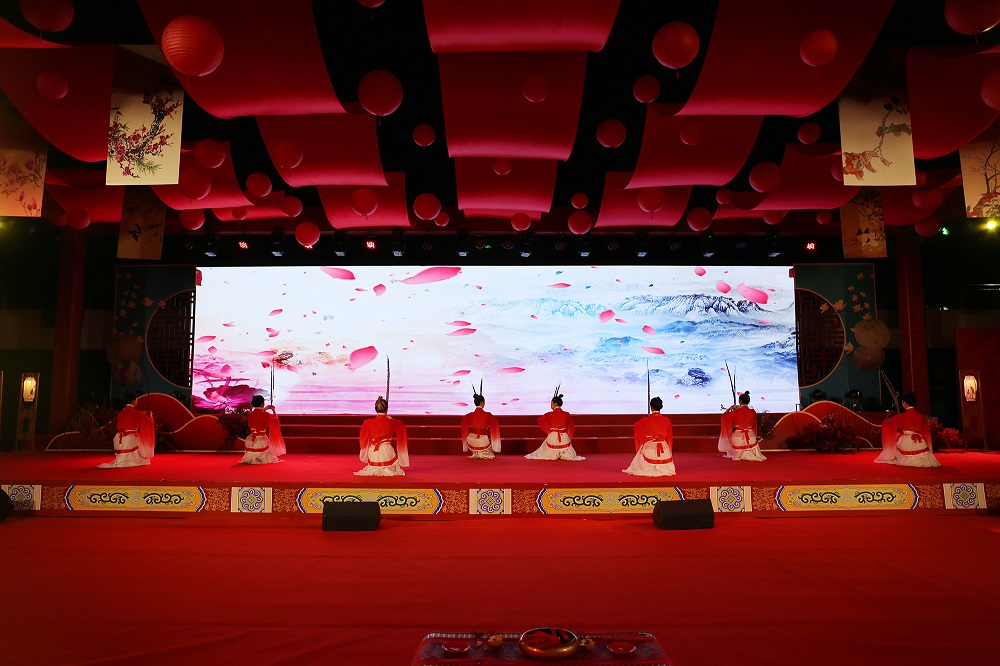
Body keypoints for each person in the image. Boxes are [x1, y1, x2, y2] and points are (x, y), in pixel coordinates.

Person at [875, 392, 940, 467]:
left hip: (906, 441)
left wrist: (883, 423)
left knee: (898, 444)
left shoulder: (902, 416)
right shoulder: (921, 416)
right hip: (920, 443)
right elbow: (925, 431)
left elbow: (888, 423)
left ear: (905, 403)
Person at [98, 392, 155, 468]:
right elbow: (147, 421)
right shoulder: (137, 414)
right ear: (134, 401)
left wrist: (143, 413)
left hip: (119, 439)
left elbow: (131, 416)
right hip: (130, 440)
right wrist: (150, 415)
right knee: (145, 460)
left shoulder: (121, 413)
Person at [525, 388, 584, 461]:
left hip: (553, 438)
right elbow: (571, 427)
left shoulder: (549, 415)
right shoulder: (566, 414)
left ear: (555, 404)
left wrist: (550, 428)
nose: (551, 405)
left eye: (551, 403)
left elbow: (539, 420)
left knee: (544, 449)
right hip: (564, 438)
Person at [356, 395, 409, 476]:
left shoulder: (367, 422)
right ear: (387, 409)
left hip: (373, 452)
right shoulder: (393, 422)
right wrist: (391, 419)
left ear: (375, 409)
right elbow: (401, 425)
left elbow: (363, 438)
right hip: (387, 451)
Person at [624, 396, 676, 476]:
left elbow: (637, 426)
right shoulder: (667, 420)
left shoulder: (645, 420)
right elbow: (669, 437)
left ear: (651, 407)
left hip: (650, 447)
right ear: (661, 407)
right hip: (664, 449)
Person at [718, 391, 767, 461]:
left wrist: (730, 409)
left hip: (738, 439)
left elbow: (724, 417)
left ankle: (741, 454)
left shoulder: (735, 412)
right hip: (751, 438)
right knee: (751, 438)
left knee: (734, 439)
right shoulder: (752, 412)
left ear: (740, 401)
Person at [240, 395, 285, 464]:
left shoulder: (250, 414)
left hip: (252, 440)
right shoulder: (266, 414)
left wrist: (264, 409)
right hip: (262, 440)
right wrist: (272, 410)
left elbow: (257, 414)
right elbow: (275, 420)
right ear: (262, 404)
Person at [460, 385, 501, 459]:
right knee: (491, 454)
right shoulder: (488, 415)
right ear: (482, 403)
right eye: (484, 402)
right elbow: (495, 422)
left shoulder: (470, 415)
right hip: (482, 440)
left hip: (471, 439)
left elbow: (463, 420)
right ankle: (480, 453)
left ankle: (476, 453)